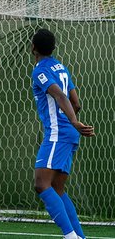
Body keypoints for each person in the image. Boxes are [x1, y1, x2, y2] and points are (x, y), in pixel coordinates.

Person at [31, 28, 94, 239]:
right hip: (67, 134)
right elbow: (76, 102)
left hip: (58, 133)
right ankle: (78, 236)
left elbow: (59, 95)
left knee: (41, 184)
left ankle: (70, 236)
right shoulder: (61, 67)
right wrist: (72, 122)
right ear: (54, 47)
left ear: (33, 48)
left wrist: (73, 122)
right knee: (57, 188)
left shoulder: (40, 70)